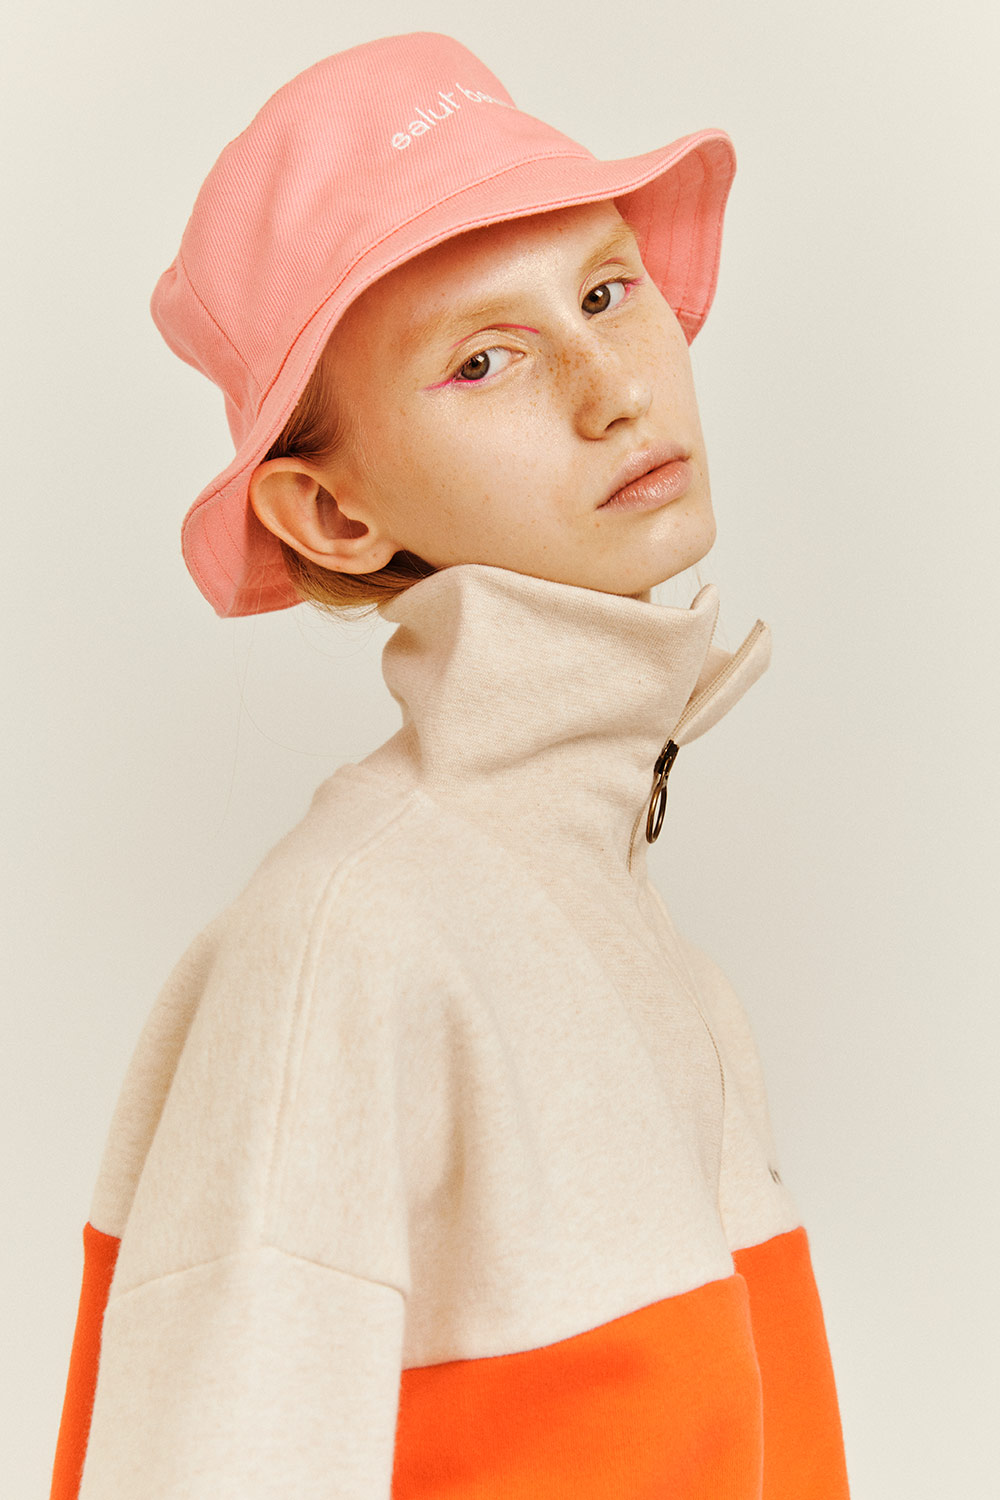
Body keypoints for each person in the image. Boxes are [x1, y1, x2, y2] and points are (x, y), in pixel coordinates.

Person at [49, 31, 851, 1499]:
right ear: (332, 516)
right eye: (484, 359)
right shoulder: (352, 941)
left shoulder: (645, 947)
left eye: (606, 291)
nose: (614, 389)